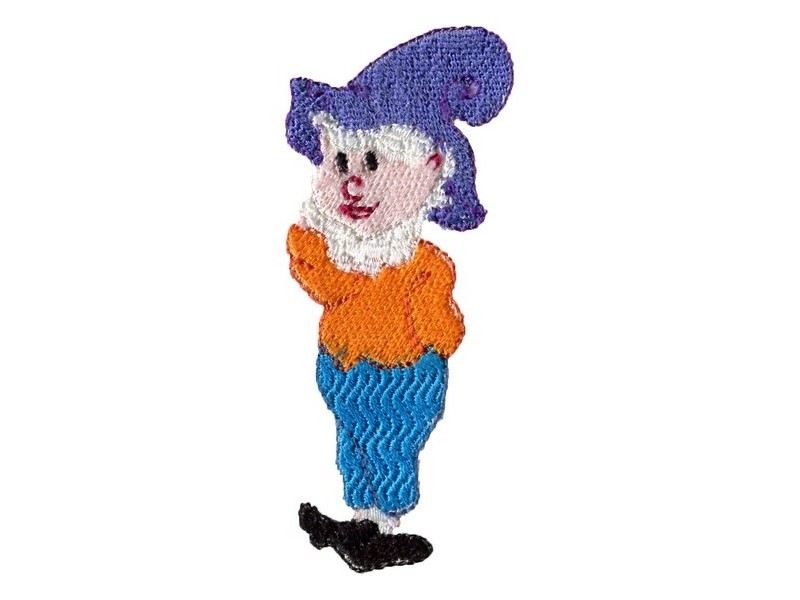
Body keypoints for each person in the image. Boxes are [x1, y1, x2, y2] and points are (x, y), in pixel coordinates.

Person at [285, 27, 513, 572]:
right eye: (341, 164)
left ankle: (382, 526)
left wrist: (433, 322)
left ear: (431, 168)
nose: (352, 185)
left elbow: (444, 333)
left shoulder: (423, 266)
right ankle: (359, 519)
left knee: (389, 446)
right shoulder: (345, 255)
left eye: (372, 163)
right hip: (343, 368)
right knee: (352, 444)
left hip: (401, 374)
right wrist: (307, 246)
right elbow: (323, 284)